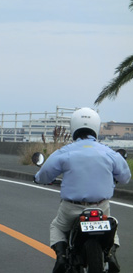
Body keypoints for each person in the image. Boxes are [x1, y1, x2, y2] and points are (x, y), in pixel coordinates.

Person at [34, 107, 131, 273]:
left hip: (72, 208)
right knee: (111, 224)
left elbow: (44, 176)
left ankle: (62, 257)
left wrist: (37, 178)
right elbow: (125, 177)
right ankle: (111, 254)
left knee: (56, 227)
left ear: (73, 128)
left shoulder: (64, 152)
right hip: (101, 207)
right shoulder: (109, 153)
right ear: (96, 127)